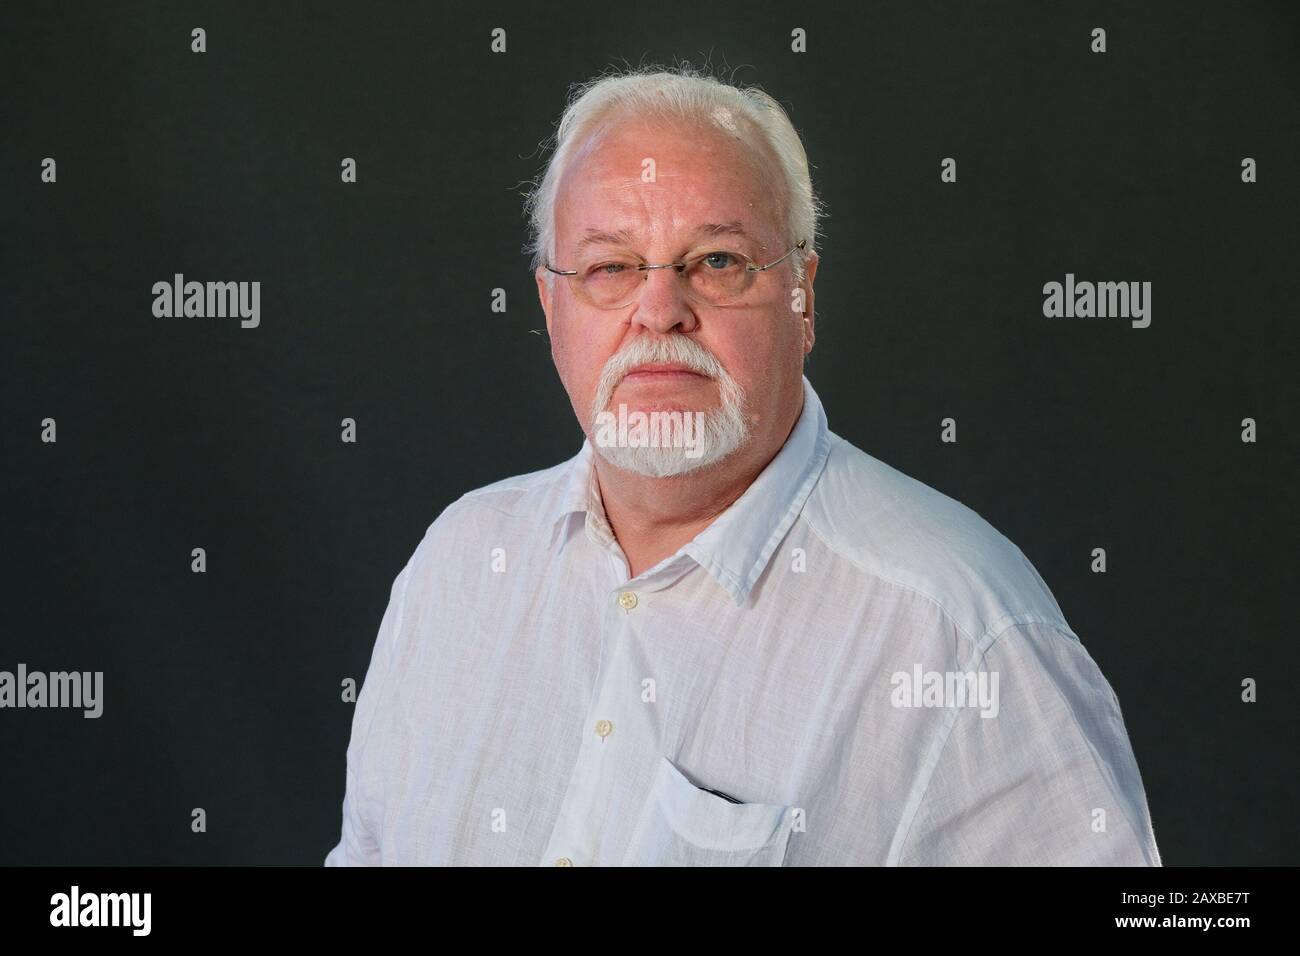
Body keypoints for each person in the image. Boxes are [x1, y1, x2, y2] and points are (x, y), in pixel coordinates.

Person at [325, 64, 1161, 866]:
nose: (659, 310)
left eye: (717, 261)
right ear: (550, 304)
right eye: (611, 267)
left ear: (803, 295)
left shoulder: (957, 631)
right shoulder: (457, 567)